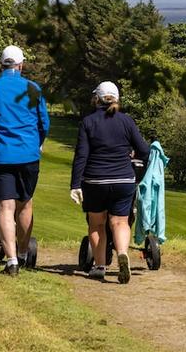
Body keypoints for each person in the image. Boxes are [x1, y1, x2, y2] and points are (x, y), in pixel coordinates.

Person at [0, 45, 50, 277]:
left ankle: (12, 260)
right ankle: (24, 252)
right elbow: (44, 124)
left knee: (5, 207)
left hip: (1, 155)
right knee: (25, 203)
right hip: (28, 155)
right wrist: (36, 143)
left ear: (2, 64)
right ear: (21, 65)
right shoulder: (33, 88)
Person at [70, 81, 149, 283]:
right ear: (117, 99)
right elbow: (144, 150)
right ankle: (122, 253)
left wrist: (75, 184)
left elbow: (81, 156)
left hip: (95, 180)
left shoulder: (88, 122)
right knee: (120, 221)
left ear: (96, 98)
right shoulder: (126, 121)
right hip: (123, 178)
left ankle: (100, 266)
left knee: (97, 223)